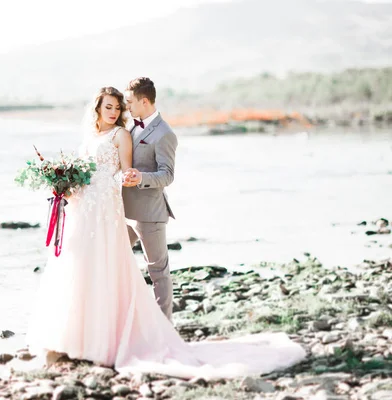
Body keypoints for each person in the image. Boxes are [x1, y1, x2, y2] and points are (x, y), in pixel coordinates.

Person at [26, 85, 305, 379]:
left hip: (120, 208)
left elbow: (137, 171)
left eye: (120, 106)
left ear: (140, 103)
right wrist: (66, 184)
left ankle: (154, 331)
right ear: (97, 108)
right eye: (110, 107)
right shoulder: (99, 134)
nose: (117, 111)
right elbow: (86, 168)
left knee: (151, 268)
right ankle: (75, 335)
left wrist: (131, 178)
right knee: (85, 264)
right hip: (86, 208)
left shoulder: (133, 134)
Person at [122, 77, 177, 321]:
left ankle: (165, 327)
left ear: (145, 101)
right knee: (115, 261)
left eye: (130, 102)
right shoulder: (132, 126)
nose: (127, 106)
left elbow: (167, 175)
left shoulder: (165, 134)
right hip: (125, 212)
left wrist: (141, 177)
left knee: (158, 272)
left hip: (150, 214)